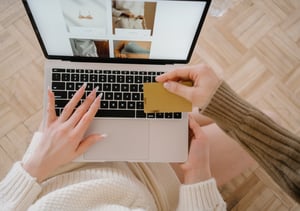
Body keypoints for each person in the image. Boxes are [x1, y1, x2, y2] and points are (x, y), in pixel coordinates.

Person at [0, 84, 227, 210]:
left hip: (64, 163)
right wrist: (197, 174)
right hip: (156, 189)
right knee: (252, 127)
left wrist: (35, 163)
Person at [156, 64, 300, 204]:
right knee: (271, 119)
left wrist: (220, 103)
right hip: (154, 187)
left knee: (198, 115)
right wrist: (197, 171)